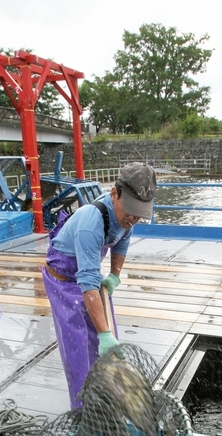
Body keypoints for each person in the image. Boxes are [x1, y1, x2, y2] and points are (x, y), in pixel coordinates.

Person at [43, 163, 156, 408]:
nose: (133, 218)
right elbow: (87, 282)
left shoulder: (127, 219)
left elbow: (121, 243)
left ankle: (107, 397)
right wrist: (104, 334)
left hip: (88, 272)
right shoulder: (90, 223)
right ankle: (83, 409)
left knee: (106, 343)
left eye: (139, 214)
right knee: (78, 345)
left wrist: (114, 276)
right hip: (62, 278)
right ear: (114, 193)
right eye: (130, 211)